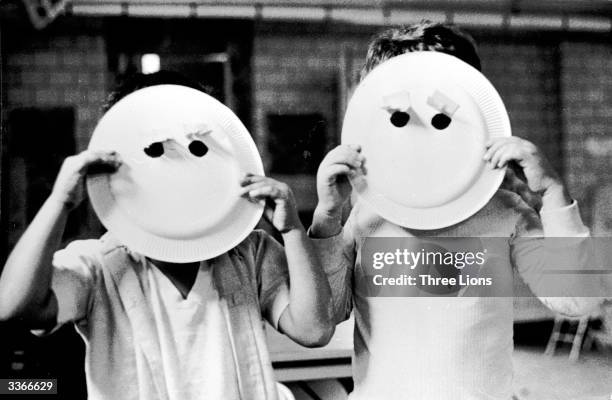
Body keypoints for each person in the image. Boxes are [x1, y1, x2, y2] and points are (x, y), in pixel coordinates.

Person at [309, 22, 601, 399]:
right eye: (401, 118)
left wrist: (553, 193)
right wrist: (326, 222)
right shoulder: (365, 212)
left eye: (442, 119)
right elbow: (326, 314)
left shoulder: (503, 210)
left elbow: (580, 299)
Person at [0, 71, 334, 400]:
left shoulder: (249, 253)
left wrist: (291, 230)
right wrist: (59, 202)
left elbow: (313, 330)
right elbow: (15, 306)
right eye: (156, 152)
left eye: (197, 151)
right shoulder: (98, 266)